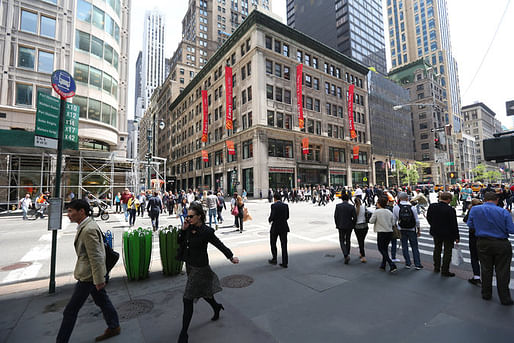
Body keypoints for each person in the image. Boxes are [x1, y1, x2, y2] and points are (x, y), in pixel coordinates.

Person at [56, 200, 120, 343]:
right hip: (91, 275)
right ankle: (114, 326)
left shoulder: (88, 229)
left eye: (71, 211)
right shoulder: (86, 225)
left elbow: (96, 256)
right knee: (102, 301)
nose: (68, 214)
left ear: (81, 211)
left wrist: (99, 280)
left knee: (70, 311)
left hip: (88, 277)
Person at [176, 203, 239, 343]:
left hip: (200, 268)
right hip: (190, 266)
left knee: (188, 298)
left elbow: (219, 244)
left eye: (191, 216)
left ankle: (183, 334)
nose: (188, 218)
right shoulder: (188, 227)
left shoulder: (206, 231)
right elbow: (179, 242)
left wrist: (231, 257)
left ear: (199, 216)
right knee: (203, 291)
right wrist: (182, 229)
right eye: (187, 216)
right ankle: (217, 307)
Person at [467, 192, 514, 305]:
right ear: (497, 200)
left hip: (483, 242)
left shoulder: (475, 210)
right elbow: (511, 230)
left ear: (484, 199)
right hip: (501, 243)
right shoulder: (503, 212)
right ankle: (504, 298)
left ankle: (486, 294)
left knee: (486, 268)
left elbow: (470, 224)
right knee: (502, 271)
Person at [427, 192, 460, 277]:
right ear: (448, 199)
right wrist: (457, 236)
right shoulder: (450, 209)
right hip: (448, 233)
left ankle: (436, 267)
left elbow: (429, 218)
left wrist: (433, 225)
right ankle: (445, 270)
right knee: (447, 252)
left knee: (437, 249)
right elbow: (454, 224)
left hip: (436, 231)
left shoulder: (432, 206)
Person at [393, 192, 423, 270]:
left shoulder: (396, 207)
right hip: (412, 229)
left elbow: (394, 220)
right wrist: (418, 230)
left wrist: (397, 228)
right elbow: (417, 220)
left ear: (399, 198)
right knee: (414, 247)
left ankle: (408, 263)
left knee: (404, 246)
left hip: (402, 229)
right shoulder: (412, 207)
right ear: (407, 198)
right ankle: (417, 264)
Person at [369, 196, 397, 272]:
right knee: (385, 248)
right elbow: (393, 223)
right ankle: (383, 265)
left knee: (381, 248)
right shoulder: (389, 212)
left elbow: (371, 221)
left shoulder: (377, 212)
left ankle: (391, 264)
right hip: (389, 232)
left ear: (379, 204)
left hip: (381, 232)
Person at [463, 198, 483, 286]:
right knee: (485, 258)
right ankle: (486, 277)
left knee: (474, 257)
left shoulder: (472, 210)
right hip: (485, 236)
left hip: (474, 235)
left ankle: (477, 277)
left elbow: (466, 221)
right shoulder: (485, 209)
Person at [268, 192, 290, 268]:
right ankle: (285, 262)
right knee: (284, 245)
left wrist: (270, 219)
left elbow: (272, 216)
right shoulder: (286, 205)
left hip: (275, 227)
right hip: (284, 227)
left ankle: (274, 259)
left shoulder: (273, 206)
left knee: (273, 243)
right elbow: (287, 217)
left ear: (274, 198)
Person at [334, 193, 356, 264]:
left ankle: (345, 255)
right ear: (348, 199)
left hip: (341, 226)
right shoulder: (351, 207)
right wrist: (353, 224)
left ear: (342, 199)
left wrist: (337, 224)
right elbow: (355, 217)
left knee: (342, 240)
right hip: (349, 226)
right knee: (348, 240)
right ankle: (347, 254)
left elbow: (335, 216)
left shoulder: (338, 206)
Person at [353, 197, 369, 263]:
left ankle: (363, 256)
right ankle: (361, 253)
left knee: (360, 241)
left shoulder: (354, 208)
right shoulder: (364, 207)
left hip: (357, 226)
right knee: (362, 240)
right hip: (365, 226)